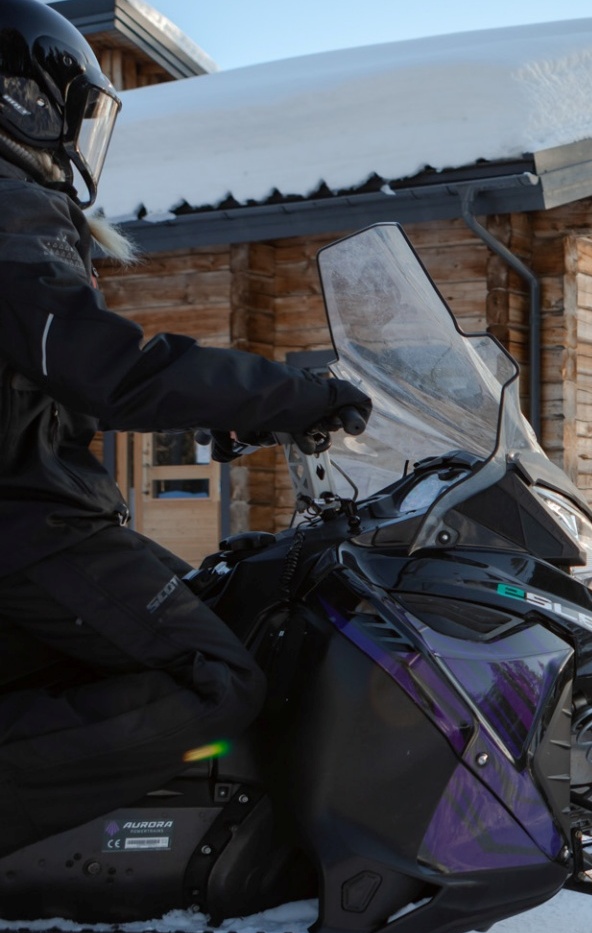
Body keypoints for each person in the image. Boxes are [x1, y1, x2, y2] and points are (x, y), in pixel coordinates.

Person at [0, 0, 371, 857]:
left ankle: (147, 862)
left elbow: (53, 382)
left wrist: (226, 411)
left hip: (38, 517)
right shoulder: (9, 208)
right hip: (31, 527)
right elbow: (108, 367)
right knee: (215, 679)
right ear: (21, 99)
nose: (73, 140)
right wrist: (286, 394)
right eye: (69, 113)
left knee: (218, 617)